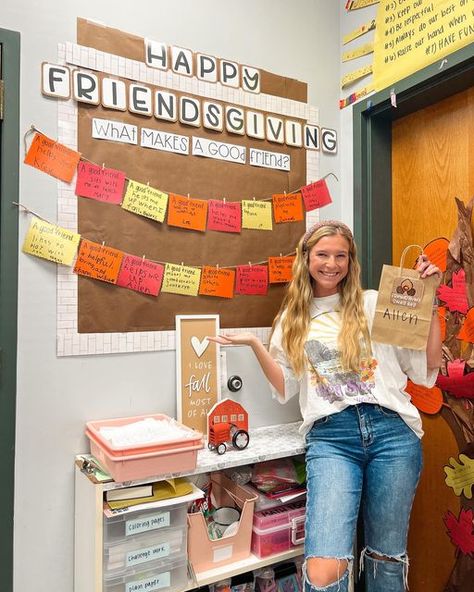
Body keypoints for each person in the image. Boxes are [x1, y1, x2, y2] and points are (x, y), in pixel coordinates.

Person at [209, 220, 442, 592]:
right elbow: (285, 386)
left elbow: (427, 365)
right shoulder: (293, 319)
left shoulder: (372, 303)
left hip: (393, 434)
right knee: (322, 568)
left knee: (386, 557)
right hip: (333, 439)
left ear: (351, 261)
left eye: (341, 256)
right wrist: (255, 343)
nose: (331, 264)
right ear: (306, 258)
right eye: (322, 254)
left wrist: (430, 303)